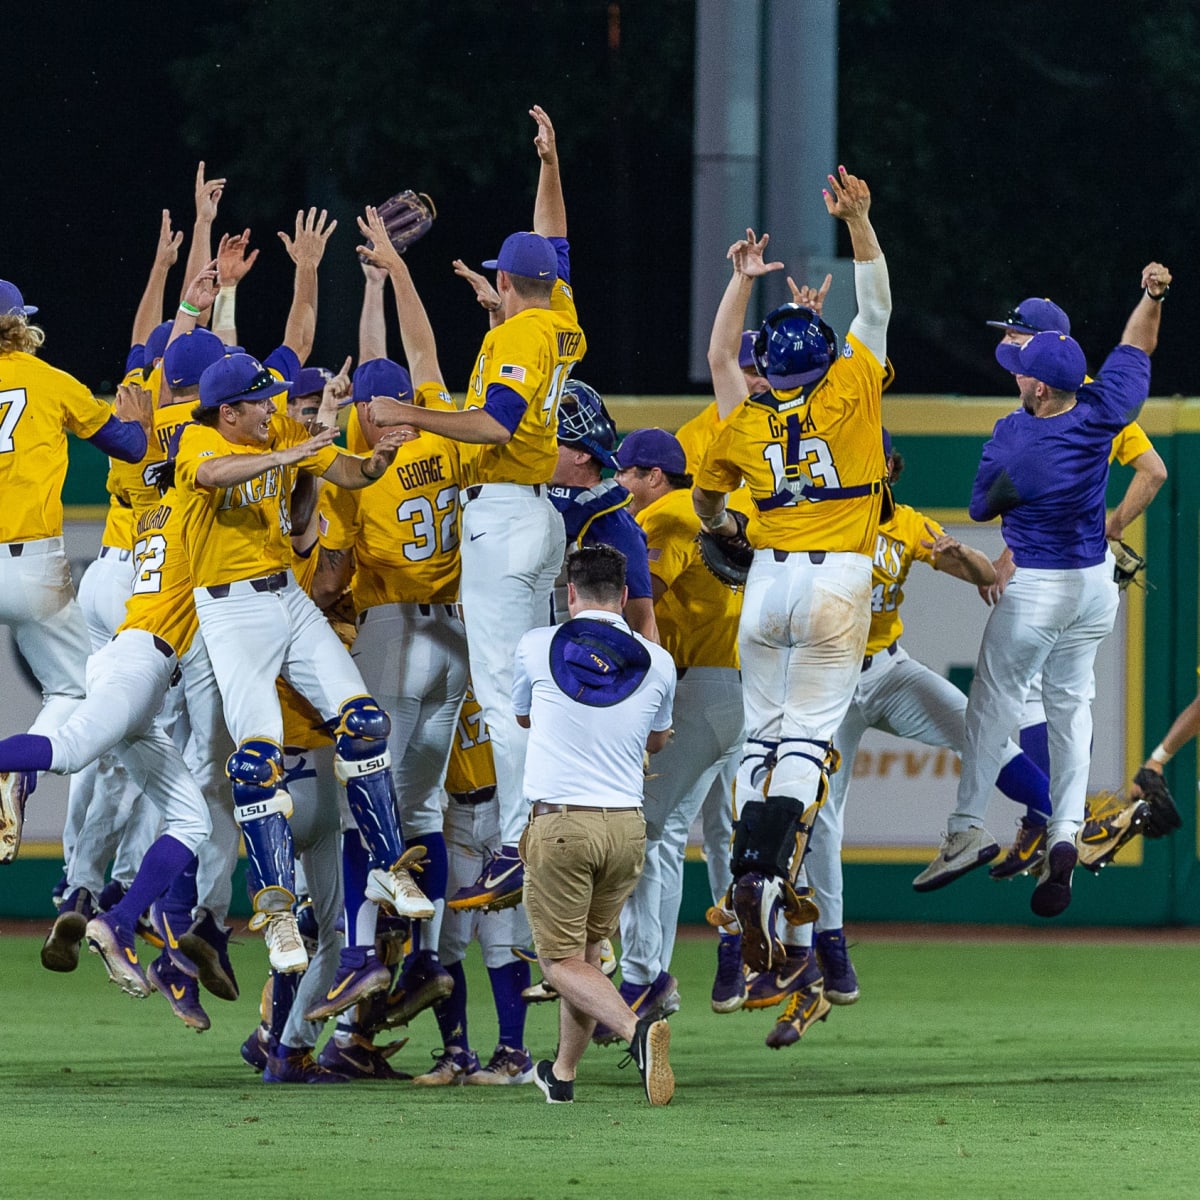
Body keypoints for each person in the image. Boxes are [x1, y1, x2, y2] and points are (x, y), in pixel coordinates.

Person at [370, 106, 586, 911]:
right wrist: (549, 163)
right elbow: (553, 246)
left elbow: (494, 422)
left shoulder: (521, 338)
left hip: (501, 517)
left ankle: (518, 842)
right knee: (531, 682)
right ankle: (547, 818)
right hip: (539, 518)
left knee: (500, 691)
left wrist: (411, 416)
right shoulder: (559, 320)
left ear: (503, 282)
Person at [691, 166, 892, 1007]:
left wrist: (719, 526)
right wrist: (860, 225)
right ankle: (767, 875)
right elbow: (875, 307)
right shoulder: (848, 385)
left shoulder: (746, 416)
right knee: (807, 744)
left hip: (764, 585)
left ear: (768, 367)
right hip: (838, 581)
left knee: (761, 744)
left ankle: (746, 869)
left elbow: (707, 485)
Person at [920, 263, 1172, 918]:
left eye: (1022, 357)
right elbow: (1138, 346)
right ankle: (1064, 833)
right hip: (1093, 585)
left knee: (992, 705)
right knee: (1072, 708)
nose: (1014, 362)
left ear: (1039, 381)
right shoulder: (1103, 407)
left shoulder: (1016, 434)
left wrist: (1007, 509)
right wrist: (1150, 296)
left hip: (1038, 583)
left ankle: (966, 827)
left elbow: (980, 506)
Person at [172, 351, 432, 972]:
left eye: (273, 400)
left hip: (287, 596)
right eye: (261, 402)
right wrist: (286, 455)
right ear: (228, 411)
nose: (274, 409)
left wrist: (381, 457)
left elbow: (353, 472)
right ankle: (279, 914)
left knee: (365, 722)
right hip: (230, 613)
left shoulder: (284, 433)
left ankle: (388, 869)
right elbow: (213, 475)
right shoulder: (197, 438)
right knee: (257, 761)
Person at [982, 296, 1168, 873]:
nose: (1009, 341)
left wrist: (1109, 527)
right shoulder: (1067, 398)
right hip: (1075, 569)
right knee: (1061, 699)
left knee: (1032, 698)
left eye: (1016, 333)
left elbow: (1155, 469)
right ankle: (1053, 823)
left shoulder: (1085, 398)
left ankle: (1064, 820)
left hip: (1067, 573)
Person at [514, 545, 676, 1106]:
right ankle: (562, 1075)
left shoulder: (537, 646)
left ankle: (637, 1034)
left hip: (563, 825)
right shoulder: (658, 661)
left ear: (570, 593)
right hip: (626, 830)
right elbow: (657, 738)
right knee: (584, 958)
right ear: (626, 597)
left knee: (559, 963)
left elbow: (523, 715)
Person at [0, 280, 151, 860]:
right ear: (22, 326)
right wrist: (137, 419)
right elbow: (130, 447)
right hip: (31, 563)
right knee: (76, 691)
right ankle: (18, 766)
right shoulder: (49, 380)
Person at [607, 427, 744, 1022]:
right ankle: (650, 977)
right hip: (726, 689)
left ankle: (642, 976)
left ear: (653, 476)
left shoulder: (663, 516)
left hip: (693, 688)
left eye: (625, 472)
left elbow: (643, 600)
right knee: (661, 838)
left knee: (640, 828)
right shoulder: (705, 512)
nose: (618, 482)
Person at [548, 379, 656, 639]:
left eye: (552, 440)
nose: (541, 448)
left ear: (581, 455)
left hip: (581, 664)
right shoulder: (534, 501)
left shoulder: (613, 524)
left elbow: (643, 618)